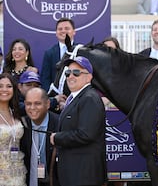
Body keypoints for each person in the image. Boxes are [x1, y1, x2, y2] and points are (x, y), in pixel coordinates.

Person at [50, 56, 106, 186]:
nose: (70, 76)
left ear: (89, 77)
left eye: (76, 72)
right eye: (68, 73)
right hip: (74, 172)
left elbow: (86, 134)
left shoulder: (89, 98)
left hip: (84, 175)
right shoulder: (77, 98)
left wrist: (57, 138)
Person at [21, 87, 59, 186]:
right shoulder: (22, 125)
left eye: (37, 103)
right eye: (28, 104)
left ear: (48, 104)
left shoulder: (59, 124)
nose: (32, 108)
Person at [0, 73, 26, 185]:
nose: (4, 89)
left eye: (9, 86)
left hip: (19, 174)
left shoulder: (16, 112)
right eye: (0, 86)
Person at [41, 18, 76, 92]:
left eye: (67, 28)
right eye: (60, 29)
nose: (63, 31)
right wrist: (52, 99)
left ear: (74, 32)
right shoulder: (49, 53)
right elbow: (45, 79)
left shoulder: (81, 50)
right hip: (56, 98)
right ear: (56, 33)